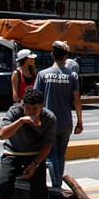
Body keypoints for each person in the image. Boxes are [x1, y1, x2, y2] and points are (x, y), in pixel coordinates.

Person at [34, 40, 82, 190]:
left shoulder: (42, 74)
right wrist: (80, 121)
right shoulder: (72, 76)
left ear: (51, 55)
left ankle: (56, 184)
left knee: (51, 154)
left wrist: (35, 119)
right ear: (66, 56)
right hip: (66, 121)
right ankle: (58, 182)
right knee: (61, 154)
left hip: (48, 121)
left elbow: (36, 99)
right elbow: (77, 100)